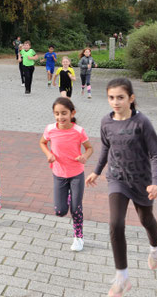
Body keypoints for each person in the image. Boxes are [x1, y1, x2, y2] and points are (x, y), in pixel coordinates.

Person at [85, 77, 157, 297]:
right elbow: (105, 149)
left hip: (142, 181)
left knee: (146, 219)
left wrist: (156, 182)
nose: (115, 102)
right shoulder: (106, 122)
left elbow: (156, 153)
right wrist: (97, 171)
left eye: (120, 97)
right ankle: (122, 277)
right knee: (116, 223)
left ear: (131, 98)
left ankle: (155, 248)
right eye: (111, 97)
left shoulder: (142, 123)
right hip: (117, 179)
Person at [39, 97, 93, 251]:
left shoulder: (78, 131)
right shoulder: (50, 129)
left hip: (76, 174)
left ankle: (78, 237)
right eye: (56, 113)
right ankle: (69, 198)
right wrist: (48, 154)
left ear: (72, 113)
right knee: (60, 211)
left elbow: (90, 148)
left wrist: (85, 157)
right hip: (59, 174)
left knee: (76, 208)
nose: (60, 117)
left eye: (64, 113)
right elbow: (42, 142)